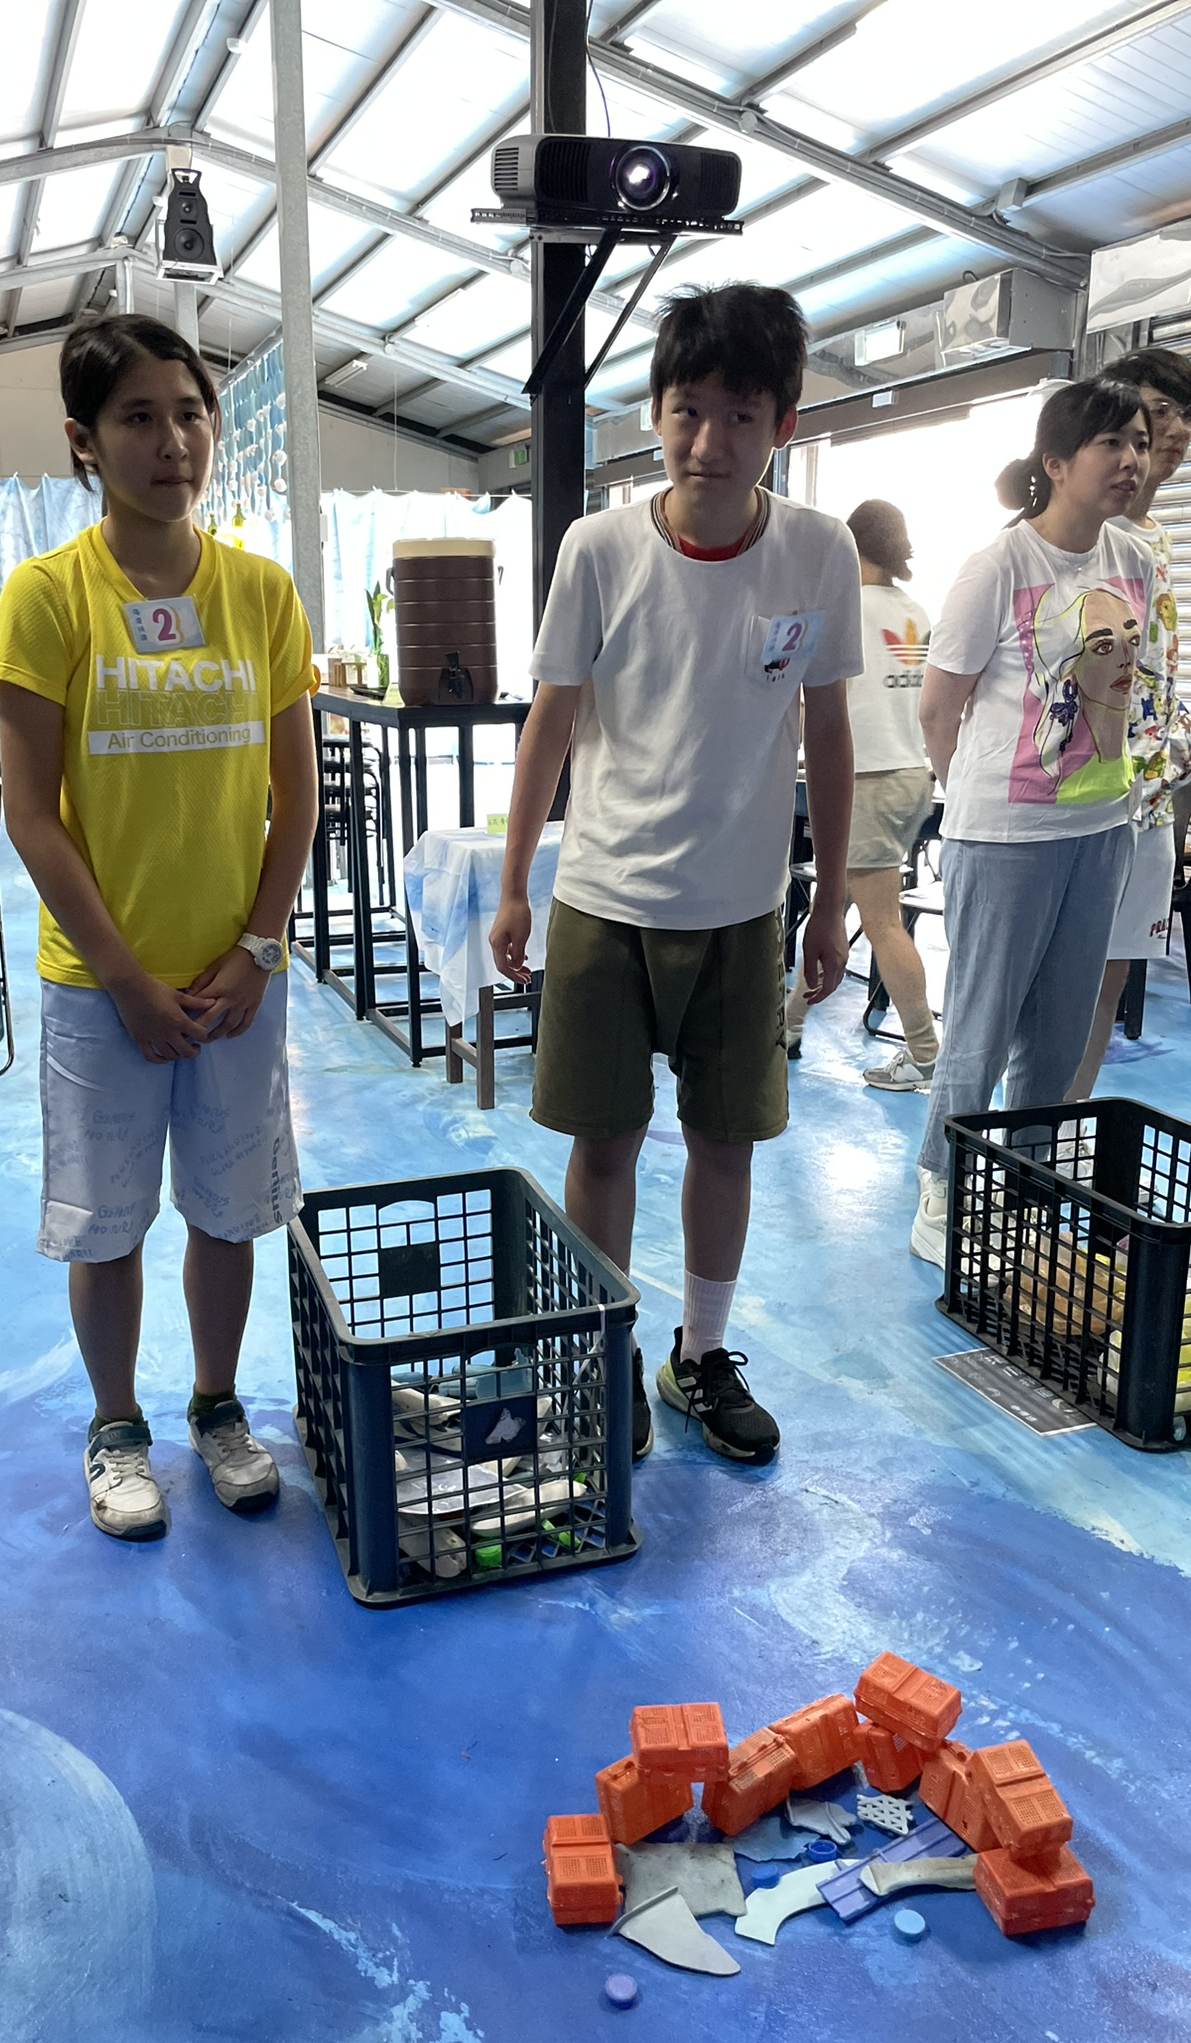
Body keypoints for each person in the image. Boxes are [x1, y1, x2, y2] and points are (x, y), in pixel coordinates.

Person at [490, 283, 861, 1465]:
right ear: (653, 413)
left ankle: (699, 1355)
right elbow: (550, 723)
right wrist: (515, 881)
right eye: (688, 409)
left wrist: (831, 897)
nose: (709, 441)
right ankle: (601, 1356)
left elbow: (828, 732)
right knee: (602, 1144)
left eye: (741, 415)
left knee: (725, 1142)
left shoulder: (818, 551)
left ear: (783, 426)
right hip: (606, 899)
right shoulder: (599, 548)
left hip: (744, 909)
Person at [0, 314, 320, 1541]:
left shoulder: (260, 593)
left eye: (189, 413)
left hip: (236, 980)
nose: (172, 441)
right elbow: (30, 815)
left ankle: (218, 1406)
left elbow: (298, 795)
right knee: (109, 1220)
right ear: (84, 440)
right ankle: (116, 1424)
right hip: (100, 988)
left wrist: (259, 947)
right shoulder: (47, 598)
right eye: (137, 417)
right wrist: (125, 978)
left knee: (228, 1212)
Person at [911, 377, 1158, 1265]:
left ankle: (1023, 1192)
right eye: (1110, 444)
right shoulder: (999, 566)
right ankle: (943, 1187)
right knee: (980, 1030)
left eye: (1138, 442)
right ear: (1055, 463)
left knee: (1057, 1041)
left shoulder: (1134, 558)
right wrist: (978, 801)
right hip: (1004, 835)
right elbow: (938, 708)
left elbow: (1136, 686)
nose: (1131, 460)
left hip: (1101, 828)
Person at [1067, 345, 1191, 1100]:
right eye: (1158, 413)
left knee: (1110, 973)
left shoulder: (1155, 537)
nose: (1175, 430)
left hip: (1147, 794)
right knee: (1053, 974)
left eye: (1187, 414)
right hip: (1080, 794)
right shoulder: (1079, 536)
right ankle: (1007, 1138)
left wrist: (1177, 731)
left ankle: (1057, 1132)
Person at [785, 499, 938, 1089]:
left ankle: (924, 1053)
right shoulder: (914, 611)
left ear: (851, 547)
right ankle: (789, 1024)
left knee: (881, 921)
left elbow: (820, 699)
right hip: (911, 774)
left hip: (869, 778)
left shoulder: (847, 608)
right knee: (834, 905)